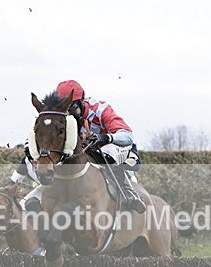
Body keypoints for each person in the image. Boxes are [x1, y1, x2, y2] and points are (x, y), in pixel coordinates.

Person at [57, 79, 145, 213]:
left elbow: (127, 135)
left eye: (72, 108)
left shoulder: (100, 109)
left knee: (106, 150)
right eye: (65, 109)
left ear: (81, 102)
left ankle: (129, 193)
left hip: (116, 146)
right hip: (90, 153)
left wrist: (106, 137)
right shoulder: (64, 116)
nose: (69, 114)